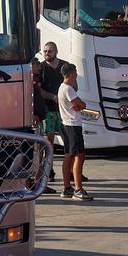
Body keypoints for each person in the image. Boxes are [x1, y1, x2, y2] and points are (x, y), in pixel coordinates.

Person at [56, 63, 91, 200]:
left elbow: (77, 104)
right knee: (79, 156)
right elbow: (82, 104)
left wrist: (78, 105)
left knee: (68, 155)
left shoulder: (62, 87)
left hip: (66, 125)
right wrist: (80, 105)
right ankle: (78, 189)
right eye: (75, 72)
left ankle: (67, 188)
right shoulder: (69, 89)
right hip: (73, 126)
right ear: (70, 74)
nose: (77, 75)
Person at [33, 43, 65, 194]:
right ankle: (48, 173)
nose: (47, 53)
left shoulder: (65, 66)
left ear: (56, 52)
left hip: (63, 111)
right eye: (45, 51)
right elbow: (38, 90)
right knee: (48, 144)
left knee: (69, 142)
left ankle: (71, 172)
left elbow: (73, 84)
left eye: (50, 51)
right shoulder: (41, 68)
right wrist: (53, 97)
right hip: (48, 111)